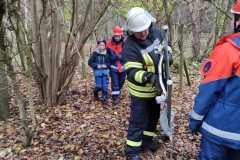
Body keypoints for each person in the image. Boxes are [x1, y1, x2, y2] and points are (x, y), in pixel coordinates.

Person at [189, 2, 240, 160]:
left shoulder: (228, 51)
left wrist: (194, 121)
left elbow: (208, 91)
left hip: (218, 131)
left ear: (238, 21)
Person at [122, 7, 172, 160]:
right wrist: (150, 77)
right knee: (138, 121)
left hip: (157, 90)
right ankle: (132, 151)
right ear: (131, 31)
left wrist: (168, 56)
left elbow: (166, 47)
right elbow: (132, 72)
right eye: (139, 32)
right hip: (141, 92)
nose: (143, 33)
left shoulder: (157, 32)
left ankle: (146, 142)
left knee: (153, 117)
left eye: (145, 29)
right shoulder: (130, 46)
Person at [106, 26, 126, 105]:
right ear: (113, 35)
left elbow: (129, 54)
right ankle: (115, 98)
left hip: (123, 67)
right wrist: (109, 63)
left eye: (118, 36)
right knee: (115, 83)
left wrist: (122, 57)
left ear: (121, 35)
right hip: (113, 67)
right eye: (115, 35)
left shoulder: (125, 43)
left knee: (121, 81)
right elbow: (106, 55)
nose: (117, 37)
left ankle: (117, 92)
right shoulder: (109, 44)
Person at [88, 40, 111, 105]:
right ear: (98, 46)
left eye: (103, 45)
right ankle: (95, 93)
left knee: (105, 87)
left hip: (105, 72)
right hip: (97, 73)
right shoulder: (95, 53)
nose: (101, 46)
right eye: (100, 45)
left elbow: (109, 63)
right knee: (99, 86)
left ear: (105, 46)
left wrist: (106, 65)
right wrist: (96, 65)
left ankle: (104, 99)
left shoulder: (107, 54)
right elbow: (90, 62)